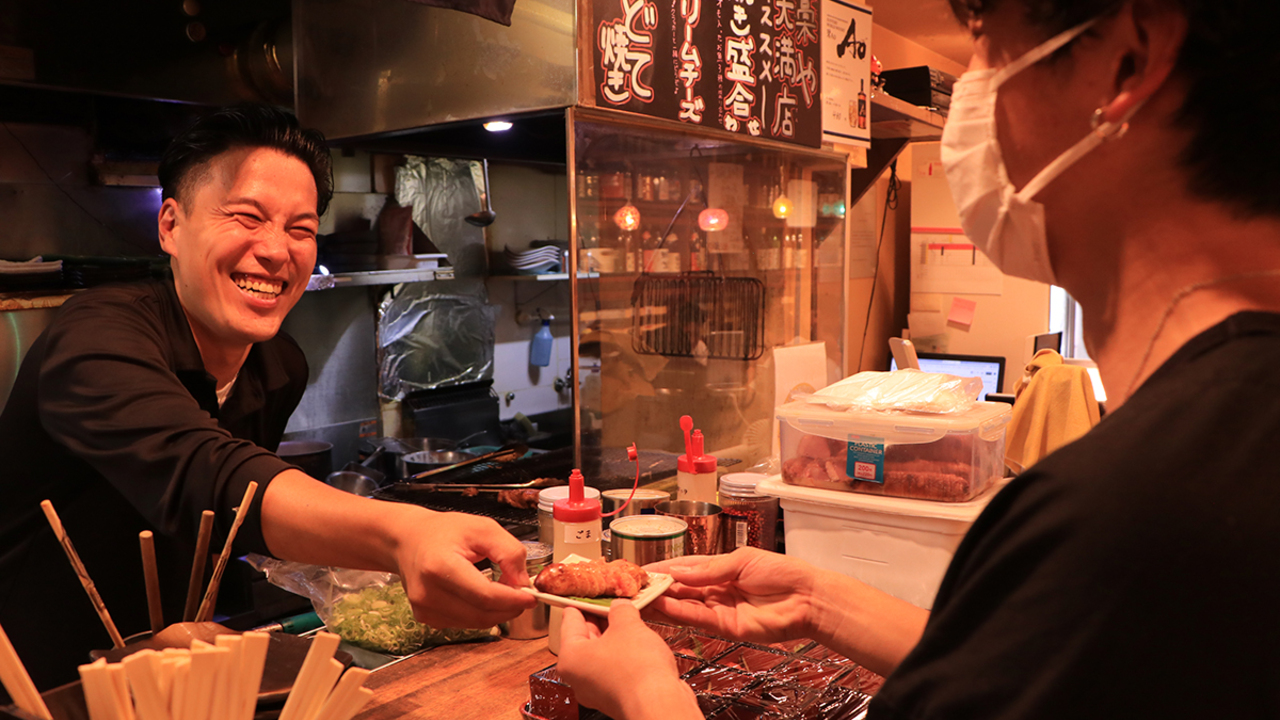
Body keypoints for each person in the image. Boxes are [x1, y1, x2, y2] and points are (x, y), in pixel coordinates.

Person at [557, 0, 1280, 717]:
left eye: (985, 43)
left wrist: (649, 698)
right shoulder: (1224, 444)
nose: (971, 88)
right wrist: (817, 600)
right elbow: (1035, 674)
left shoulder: (1135, 513)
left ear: (1128, 58)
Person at [0, 103, 534, 694]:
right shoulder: (96, 336)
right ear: (171, 226)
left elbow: (226, 521)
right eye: (247, 217)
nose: (277, 250)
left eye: (300, 229)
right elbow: (205, 471)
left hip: (163, 677)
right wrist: (402, 534)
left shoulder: (278, 366)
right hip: (35, 688)